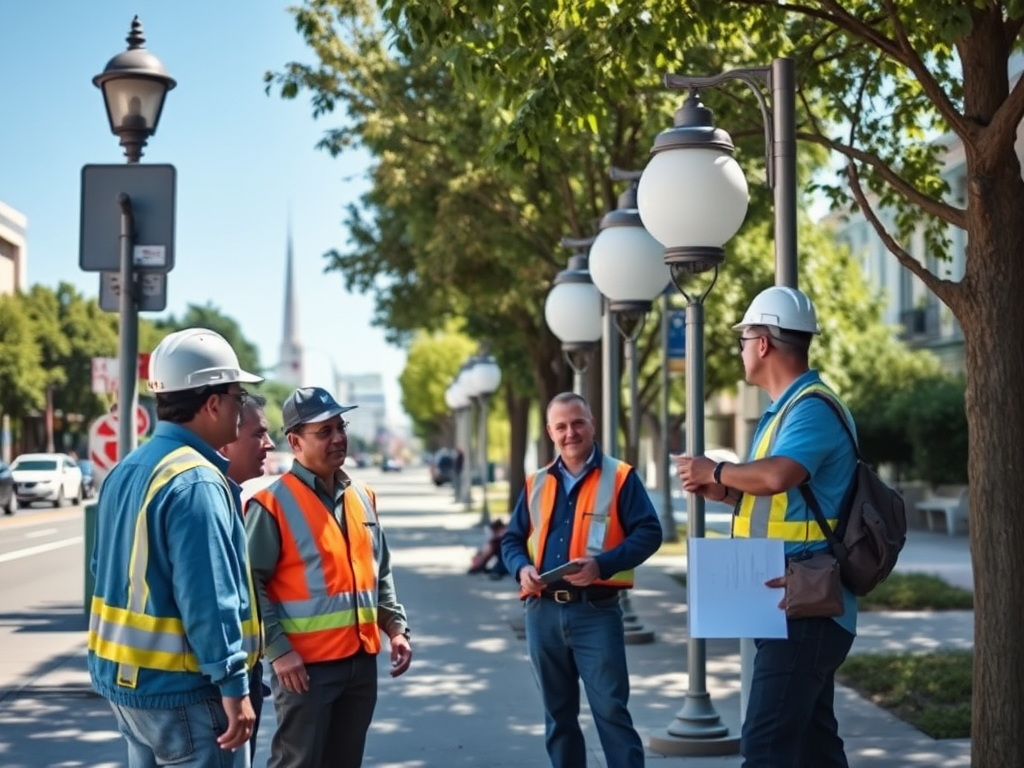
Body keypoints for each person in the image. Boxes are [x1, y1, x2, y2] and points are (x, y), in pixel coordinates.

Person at [674, 286, 858, 768]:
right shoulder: (785, 411)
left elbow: (778, 476)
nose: (739, 349)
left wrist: (715, 471)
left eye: (743, 338)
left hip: (806, 608)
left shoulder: (811, 408)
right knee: (814, 747)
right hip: (788, 602)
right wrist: (727, 492)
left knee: (765, 746)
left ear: (763, 343)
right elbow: (784, 499)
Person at [87, 328, 264, 768]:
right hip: (187, 696)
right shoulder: (197, 481)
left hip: (128, 691)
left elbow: (101, 568)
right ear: (212, 404)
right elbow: (209, 600)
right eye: (238, 396)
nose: (241, 408)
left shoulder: (127, 469)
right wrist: (235, 688)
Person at [245, 386, 413, 768]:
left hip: (360, 663)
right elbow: (250, 584)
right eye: (324, 431)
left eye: (341, 427)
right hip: (304, 671)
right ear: (295, 442)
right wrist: (279, 650)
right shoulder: (271, 505)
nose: (338, 437)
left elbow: (377, 571)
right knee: (298, 762)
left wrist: (396, 628)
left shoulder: (363, 496)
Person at [501, 392, 662, 768]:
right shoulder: (535, 482)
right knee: (558, 717)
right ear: (550, 432)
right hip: (541, 613)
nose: (570, 432)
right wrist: (521, 568)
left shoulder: (620, 476)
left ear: (591, 424)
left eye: (577, 423)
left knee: (611, 713)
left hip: (596, 613)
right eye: (561, 426)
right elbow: (511, 539)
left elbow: (649, 532)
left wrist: (602, 566)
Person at [219, 392, 275, 760]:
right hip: (217, 696)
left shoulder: (229, 497)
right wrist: (236, 689)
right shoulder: (208, 497)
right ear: (225, 441)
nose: (269, 444)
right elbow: (213, 605)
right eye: (259, 434)